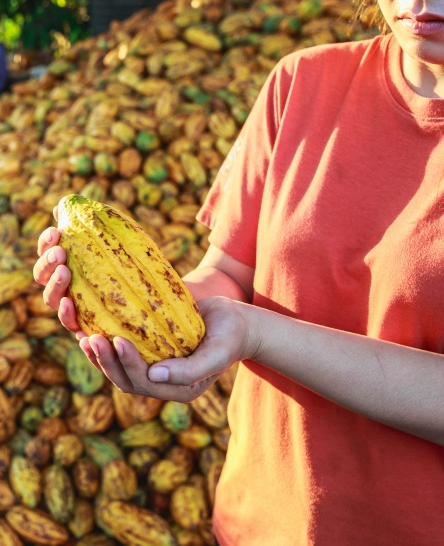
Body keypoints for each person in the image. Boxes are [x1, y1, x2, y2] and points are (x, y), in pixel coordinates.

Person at [32, 0, 444, 543]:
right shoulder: (302, 82)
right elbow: (229, 269)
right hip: (261, 522)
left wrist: (256, 334)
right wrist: (155, 317)